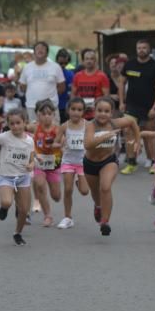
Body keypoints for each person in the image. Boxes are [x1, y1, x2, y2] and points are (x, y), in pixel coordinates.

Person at [83, 96, 141, 236]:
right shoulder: (90, 125)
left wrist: (137, 141)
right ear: (94, 111)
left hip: (108, 161)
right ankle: (98, 206)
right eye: (100, 110)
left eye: (106, 111)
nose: (103, 114)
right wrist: (106, 136)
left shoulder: (115, 123)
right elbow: (88, 144)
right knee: (96, 194)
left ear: (112, 113)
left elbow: (132, 121)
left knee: (106, 187)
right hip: (90, 163)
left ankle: (105, 222)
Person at [0, 109, 35, 246]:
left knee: (23, 210)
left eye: (18, 123)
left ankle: (17, 233)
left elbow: (32, 159)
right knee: (6, 202)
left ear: (24, 123)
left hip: (23, 178)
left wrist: (31, 165)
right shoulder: (5, 136)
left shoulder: (29, 141)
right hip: (7, 177)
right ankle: (4, 208)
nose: (15, 126)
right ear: (8, 124)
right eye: (12, 124)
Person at [120, 39, 155, 174]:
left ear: (149, 50)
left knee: (149, 134)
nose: (141, 50)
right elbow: (122, 83)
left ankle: (153, 162)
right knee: (128, 131)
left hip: (149, 106)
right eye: (139, 48)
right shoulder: (129, 65)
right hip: (132, 105)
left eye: (144, 48)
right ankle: (131, 162)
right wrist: (122, 102)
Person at [56, 97, 89, 229]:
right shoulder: (64, 126)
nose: (76, 112)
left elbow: (92, 140)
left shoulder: (88, 125)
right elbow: (56, 141)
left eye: (79, 110)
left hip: (83, 162)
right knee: (68, 190)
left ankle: (78, 181)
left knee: (85, 191)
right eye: (73, 109)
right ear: (68, 110)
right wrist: (60, 146)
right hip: (68, 161)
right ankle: (67, 217)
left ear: (83, 112)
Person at [30, 100, 63, 228]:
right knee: (39, 184)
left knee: (56, 196)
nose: (46, 116)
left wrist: (59, 145)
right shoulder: (34, 127)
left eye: (49, 114)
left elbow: (63, 144)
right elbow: (22, 128)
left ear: (54, 115)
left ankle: (51, 194)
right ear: (38, 115)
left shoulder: (58, 129)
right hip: (39, 163)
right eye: (43, 114)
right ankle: (47, 216)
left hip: (54, 164)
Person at [18, 41, 65, 123]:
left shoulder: (55, 67)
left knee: (54, 133)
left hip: (51, 107)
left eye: (43, 48)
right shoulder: (27, 67)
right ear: (34, 52)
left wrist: (49, 96)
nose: (40, 50)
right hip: (32, 107)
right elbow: (23, 86)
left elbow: (62, 87)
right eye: (38, 48)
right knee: (33, 134)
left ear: (47, 53)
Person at [70, 48, 110, 120]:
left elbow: (106, 97)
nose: (89, 61)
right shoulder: (77, 76)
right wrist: (73, 110)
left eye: (91, 59)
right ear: (83, 61)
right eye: (87, 59)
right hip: (80, 113)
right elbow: (73, 94)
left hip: (96, 114)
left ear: (95, 61)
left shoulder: (102, 76)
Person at [55, 48, 75, 122]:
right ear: (56, 61)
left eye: (65, 63)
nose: (63, 65)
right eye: (60, 63)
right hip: (53, 106)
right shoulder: (52, 73)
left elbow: (72, 91)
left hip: (65, 106)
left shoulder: (70, 74)